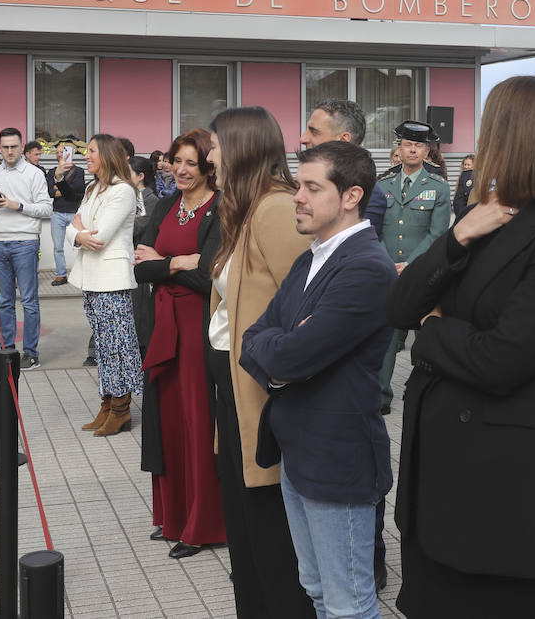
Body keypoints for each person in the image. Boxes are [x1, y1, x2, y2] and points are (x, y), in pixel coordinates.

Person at [385, 73, 535, 619]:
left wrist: (432, 331)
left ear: (522, 137)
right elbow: (399, 306)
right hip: (441, 476)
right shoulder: (489, 214)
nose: (482, 143)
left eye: (492, 128)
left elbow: (502, 359)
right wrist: (456, 238)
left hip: (501, 488)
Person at [240, 140, 396, 618]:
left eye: (311, 187)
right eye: (298, 186)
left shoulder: (367, 268)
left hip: (338, 459)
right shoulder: (312, 257)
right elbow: (254, 339)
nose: (297, 197)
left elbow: (286, 357)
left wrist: (285, 356)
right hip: (298, 449)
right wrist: (285, 352)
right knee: (317, 589)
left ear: (350, 196)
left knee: (348, 600)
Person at [206, 106, 316, 619]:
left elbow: (305, 308)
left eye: (215, 146)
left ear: (241, 148)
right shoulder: (245, 207)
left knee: (268, 528)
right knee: (245, 524)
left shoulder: (275, 209)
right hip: (232, 386)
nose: (209, 156)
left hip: (260, 392)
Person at [135, 130, 226, 558]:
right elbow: (139, 267)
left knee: (197, 421)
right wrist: (176, 262)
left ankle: (202, 523)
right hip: (163, 325)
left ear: (208, 165)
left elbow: (210, 277)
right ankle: (172, 516)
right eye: (177, 161)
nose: (182, 169)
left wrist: (163, 264)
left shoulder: (221, 208)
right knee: (167, 419)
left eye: (191, 162)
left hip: (199, 328)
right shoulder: (169, 203)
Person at [67, 134, 145, 436]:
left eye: (91, 151)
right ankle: (107, 402)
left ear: (108, 155)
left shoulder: (123, 190)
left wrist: (79, 233)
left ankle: (121, 409)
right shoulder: (92, 187)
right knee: (102, 344)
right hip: (91, 277)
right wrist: (77, 234)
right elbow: (72, 228)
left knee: (117, 345)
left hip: (110, 280)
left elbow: (98, 238)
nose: (86, 155)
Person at [376, 120, 450, 415]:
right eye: (408, 144)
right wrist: (387, 262)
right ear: (400, 147)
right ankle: (381, 396)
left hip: (422, 274)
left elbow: (438, 233)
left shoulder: (438, 187)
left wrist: (409, 264)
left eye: (419, 145)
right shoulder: (383, 185)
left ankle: (428, 393)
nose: (412, 150)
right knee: (387, 338)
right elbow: (375, 228)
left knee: (427, 336)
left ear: (427, 150)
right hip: (388, 272)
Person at [0, 128, 52, 370]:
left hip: (26, 242)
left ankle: (31, 353)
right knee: (4, 301)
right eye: (5, 147)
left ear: (22, 147)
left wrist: (15, 205)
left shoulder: (34, 173)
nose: (9, 151)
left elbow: (46, 209)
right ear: (0, 149)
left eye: (14, 146)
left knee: (29, 300)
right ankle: (8, 350)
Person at [301, 98, 387, 238]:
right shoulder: (306, 185)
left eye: (314, 132)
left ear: (343, 140)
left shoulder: (369, 196)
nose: (303, 139)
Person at [47, 143, 85, 286]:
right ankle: (61, 274)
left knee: (81, 245)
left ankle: (82, 273)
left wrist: (60, 188)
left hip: (74, 213)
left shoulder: (78, 171)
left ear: (70, 153)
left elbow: (77, 191)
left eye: (62, 151)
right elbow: (50, 191)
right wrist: (65, 190)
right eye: (57, 152)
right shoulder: (51, 172)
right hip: (57, 213)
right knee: (58, 247)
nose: (59, 154)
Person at [452, 154, 475, 219]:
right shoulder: (462, 176)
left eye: (469, 165)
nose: (466, 167)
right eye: (465, 164)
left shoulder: (470, 176)